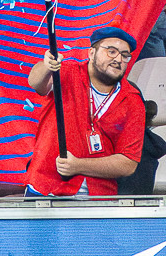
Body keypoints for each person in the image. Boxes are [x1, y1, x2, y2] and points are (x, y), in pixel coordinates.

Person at [23, 24, 144, 198]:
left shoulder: (132, 99)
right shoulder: (67, 73)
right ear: (91, 53)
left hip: (99, 196)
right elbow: (36, 83)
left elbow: (128, 163)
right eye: (111, 51)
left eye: (125, 56)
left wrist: (78, 165)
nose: (118, 59)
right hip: (45, 187)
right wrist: (47, 66)